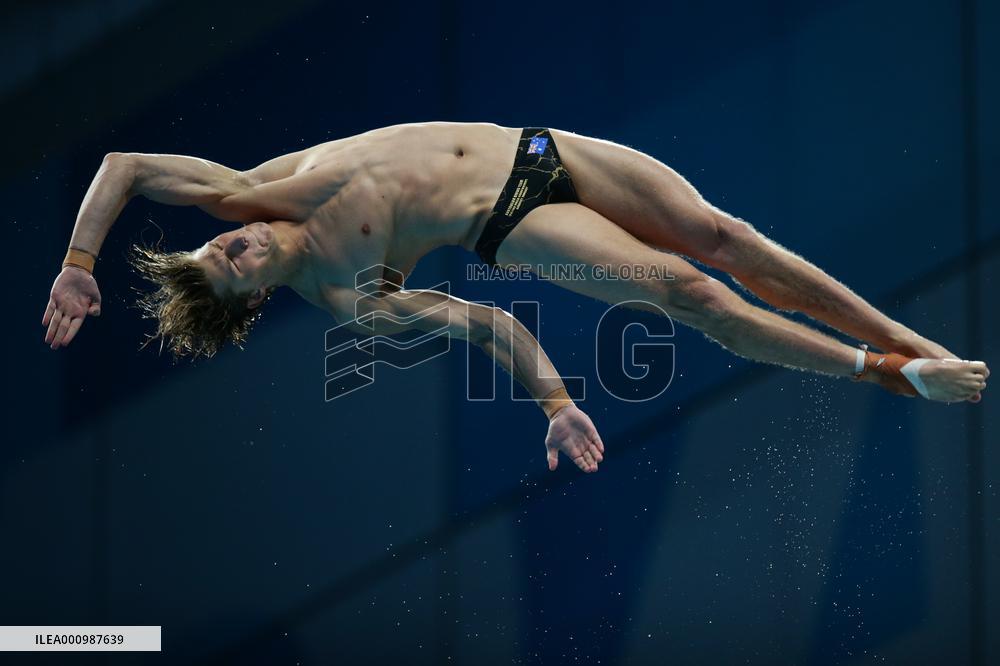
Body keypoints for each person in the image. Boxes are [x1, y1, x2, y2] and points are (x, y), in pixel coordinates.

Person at [42, 122, 990, 473]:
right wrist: (557, 404)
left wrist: (82, 258)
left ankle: (917, 350)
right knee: (695, 293)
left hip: (540, 150)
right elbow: (485, 323)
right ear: (252, 298)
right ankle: (885, 373)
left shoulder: (244, 189)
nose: (233, 243)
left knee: (726, 239)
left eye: (216, 246)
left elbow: (125, 165)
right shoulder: (348, 295)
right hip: (512, 224)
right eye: (232, 267)